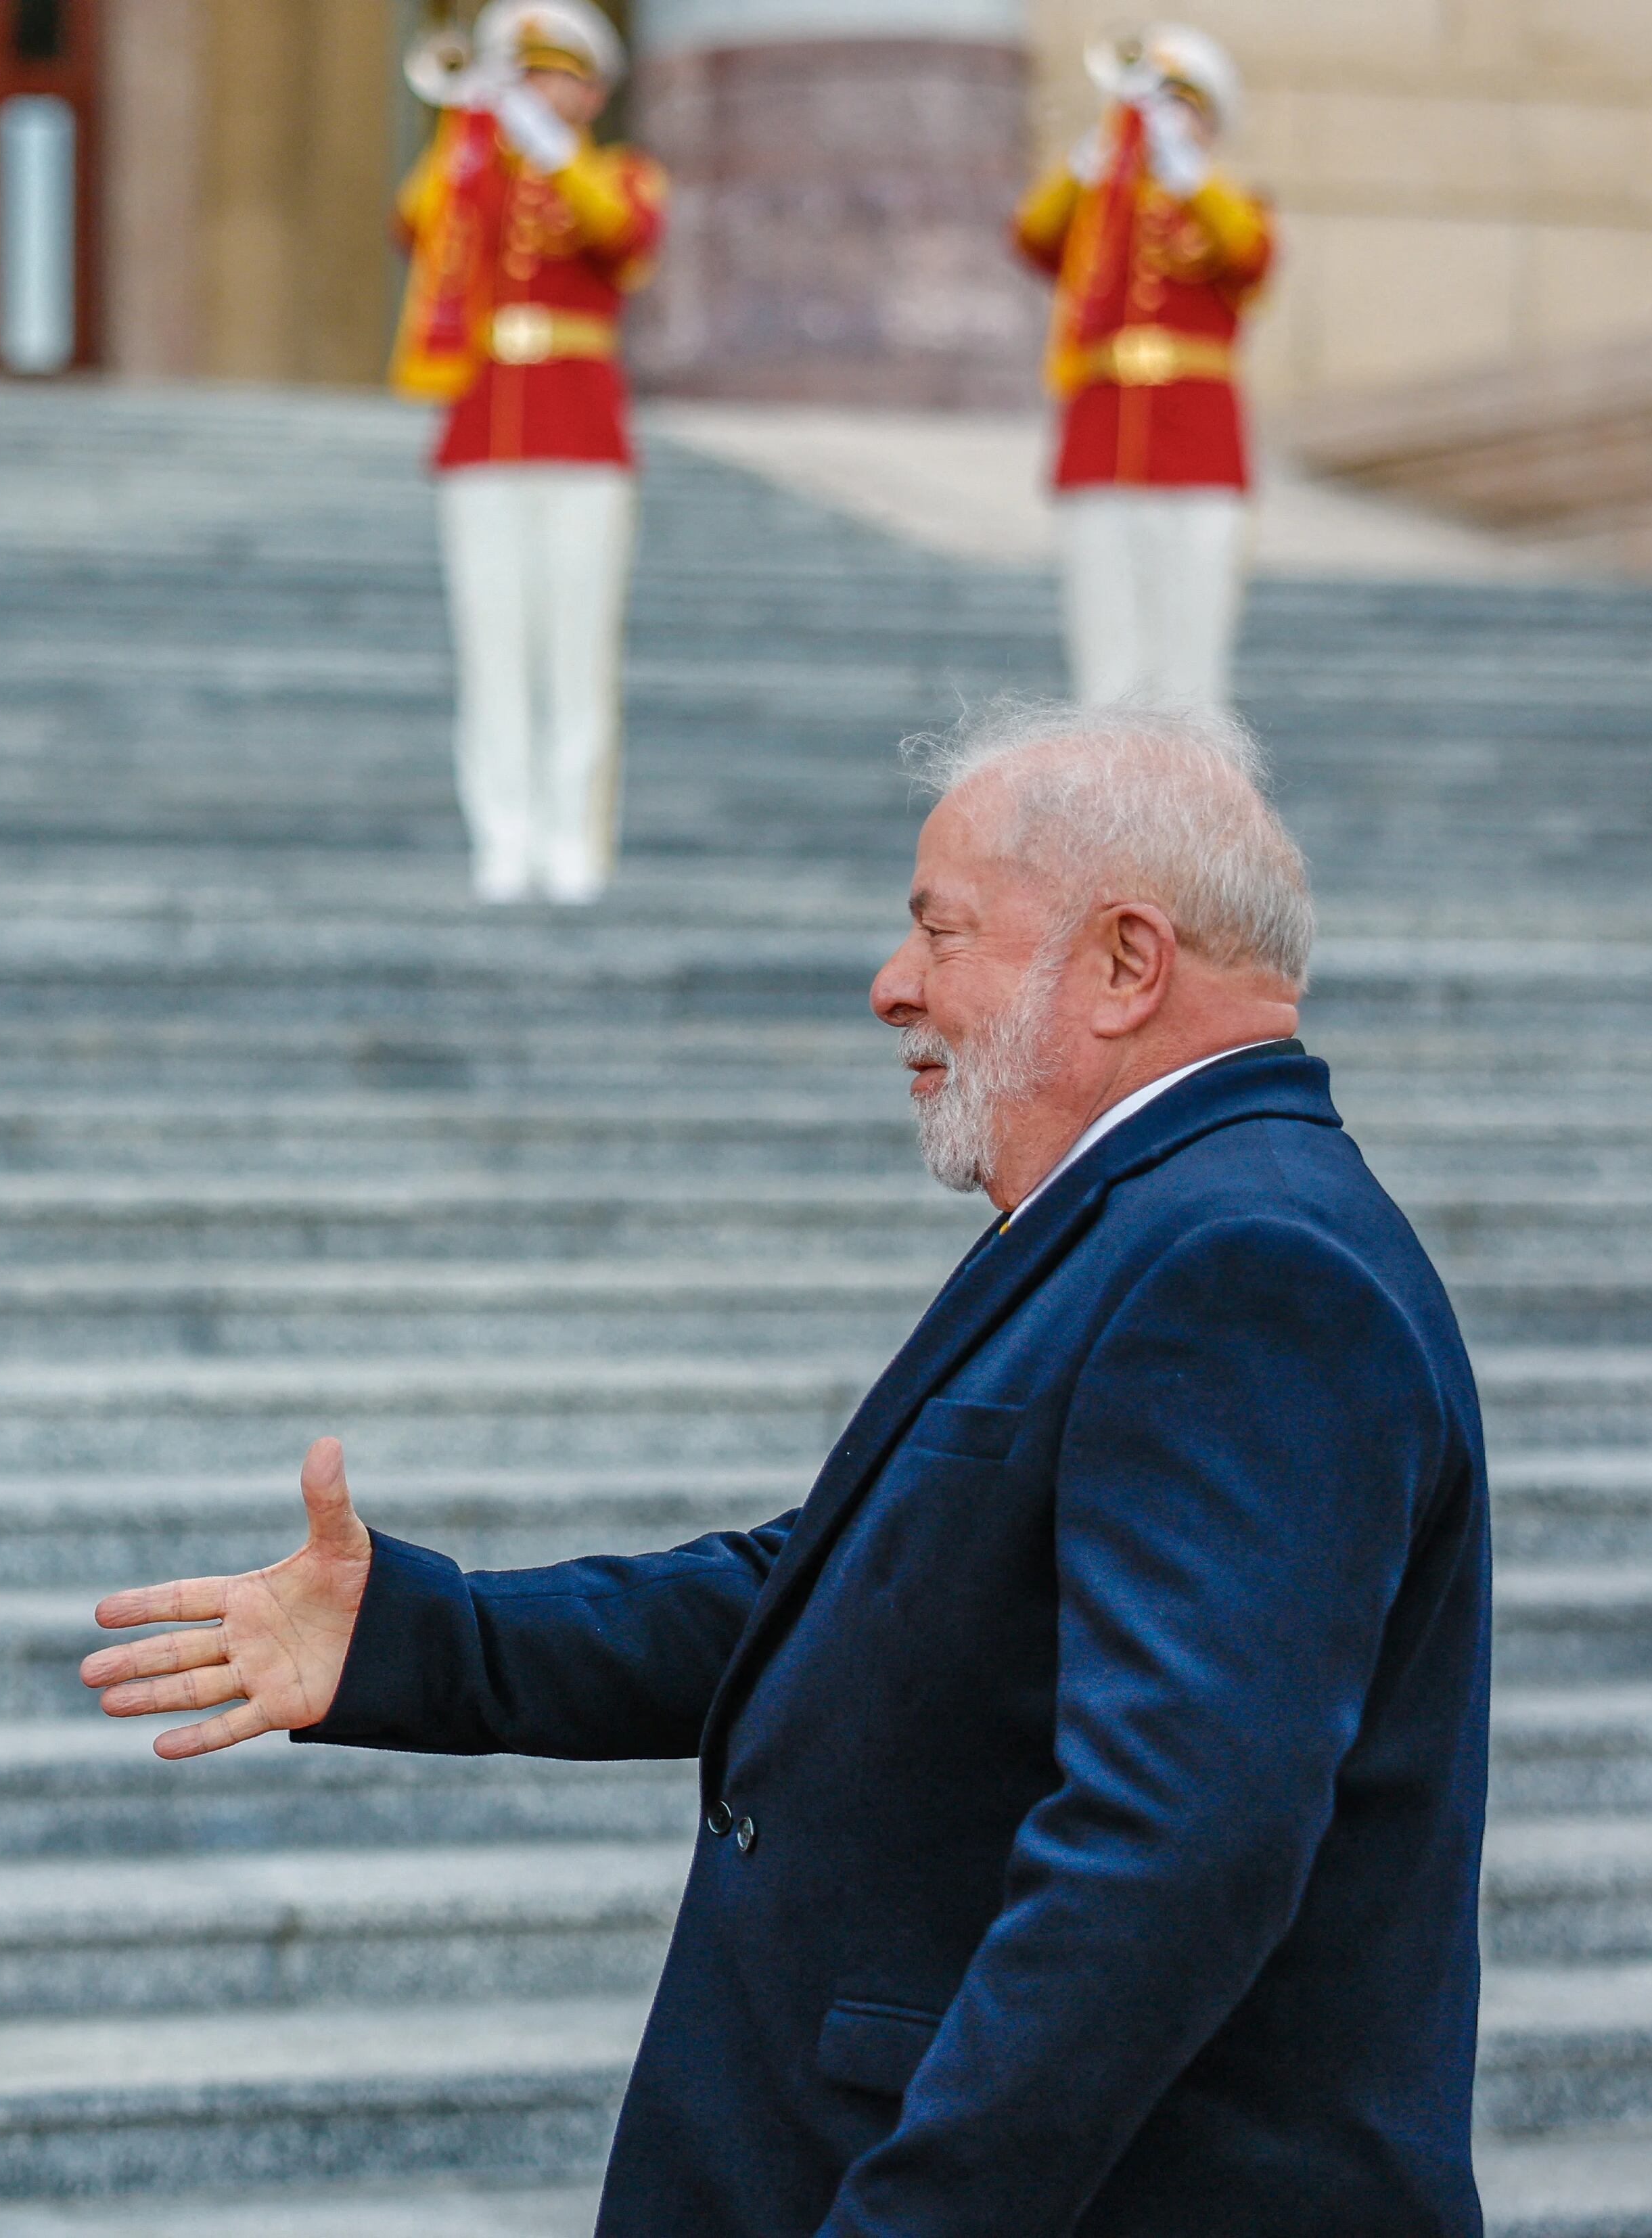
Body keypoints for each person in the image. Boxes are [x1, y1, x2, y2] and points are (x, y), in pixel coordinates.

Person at [85, 701, 1488, 2235]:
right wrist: (435, 1638)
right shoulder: (1177, 1219)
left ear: (1123, 963)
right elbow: (861, 1586)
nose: (894, 984)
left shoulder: (1249, 1264)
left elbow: (1171, 1854)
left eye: (939, 930)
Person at [392, 0, 662, 906]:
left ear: (591, 92)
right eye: (525, 72)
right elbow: (415, 224)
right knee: (492, 648)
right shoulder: (476, 180)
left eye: (554, 75)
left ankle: (574, 840)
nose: (536, 89)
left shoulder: (621, 174)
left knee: (578, 651)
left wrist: (544, 142)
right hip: (481, 430)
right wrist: (467, 122)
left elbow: (622, 236)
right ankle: (502, 839)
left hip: (582, 433)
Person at [1014, 25, 1273, 712]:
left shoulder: (1228, 203)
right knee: (1104, 644)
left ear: (1209, 122)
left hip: (1197, 445)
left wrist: (1188, 176)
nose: (1164, 120)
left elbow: (1249, 256)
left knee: (1191, 648)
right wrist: (1092, 159)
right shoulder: (1101, 212)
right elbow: (1033, 237)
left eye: (1181, 106)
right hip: (1102, 438)